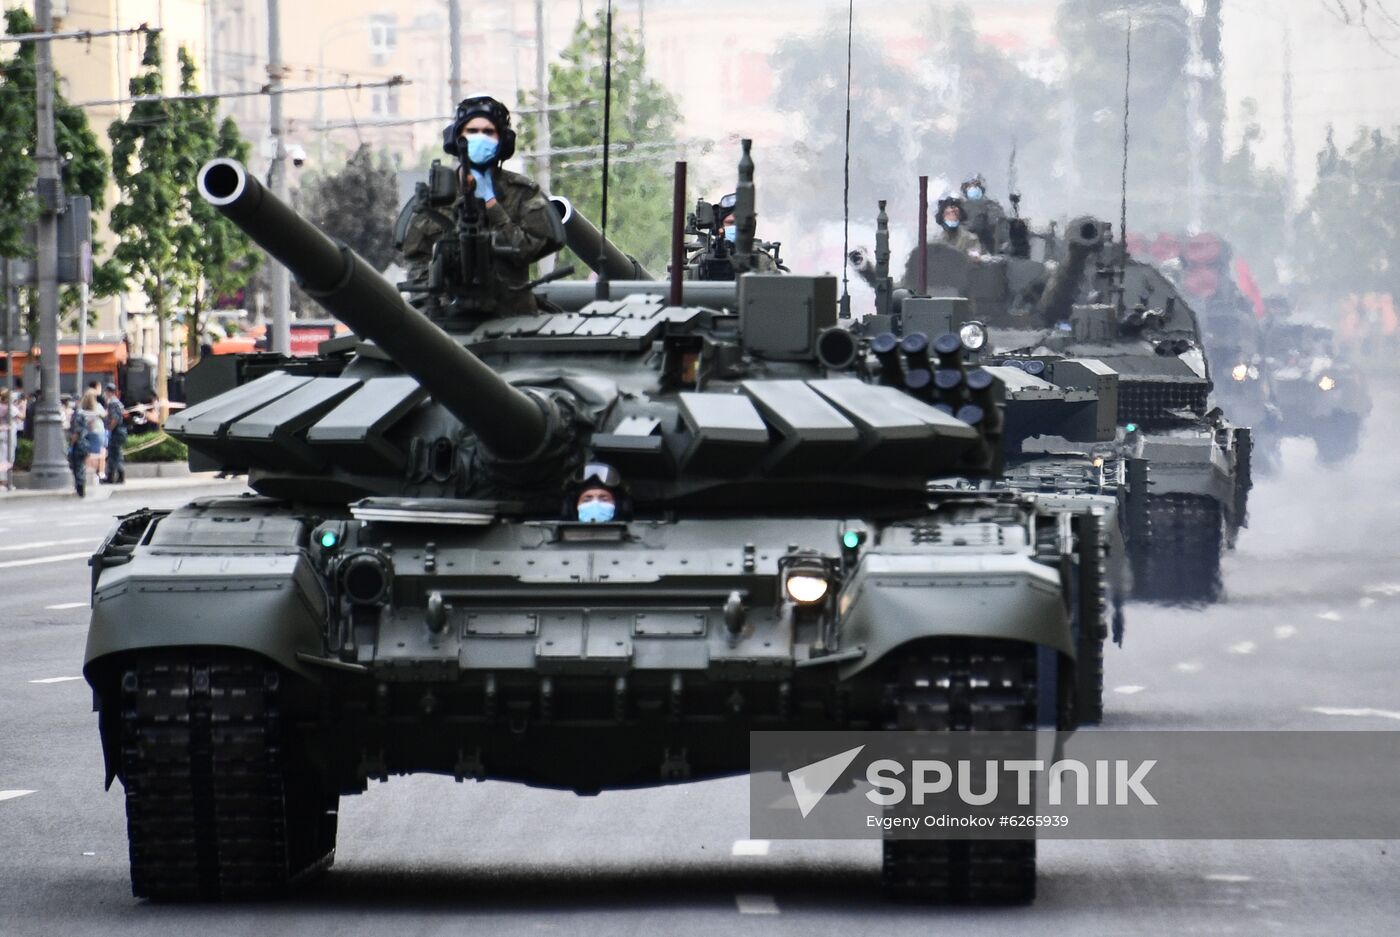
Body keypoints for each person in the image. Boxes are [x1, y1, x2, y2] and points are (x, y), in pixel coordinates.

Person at [398, 93, 564, 316]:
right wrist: (435, 308)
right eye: (472, 132)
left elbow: (527, 250)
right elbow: (417, 261)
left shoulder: (522, 193)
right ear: (457, 139)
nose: (480, 138)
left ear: (502, 141)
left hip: (514, 321)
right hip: (449, 327)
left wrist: (492, 205)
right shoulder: (436, 198)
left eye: (488, 132)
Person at [76, 388, 107, 483]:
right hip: (98, 431)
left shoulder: (81, 408)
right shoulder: (98, 406)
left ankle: (89, 473)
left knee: (88, 453)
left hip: (85, 432)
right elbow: (105, 415)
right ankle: (101, 473)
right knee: (101, 452)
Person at [103, 383, 127, 485]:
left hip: (116, 432)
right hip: (121, 431)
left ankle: (112, 476)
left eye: (106, 392)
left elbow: (115, 419)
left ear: (109, 392)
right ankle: (118, 476)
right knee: (117, 454)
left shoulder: (112, 403)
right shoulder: (118, 402)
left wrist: (109, 429)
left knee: (114, 454)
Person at [0, 388, 16, 490]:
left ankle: (3, 482)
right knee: (8, 458)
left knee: (1, 457)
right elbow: (22, 416)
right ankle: (4, 482)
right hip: (8, 434)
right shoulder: (10, 408)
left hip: (1, 433)